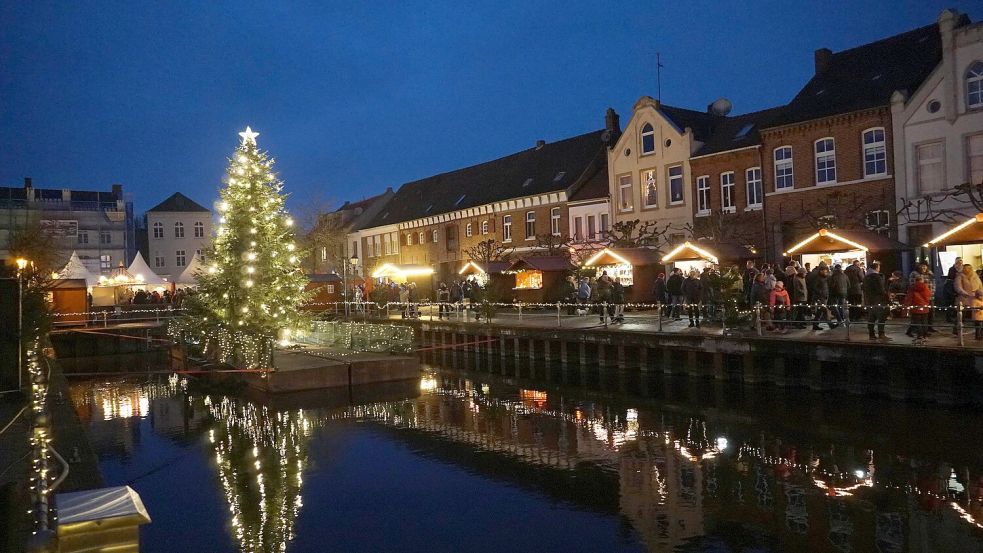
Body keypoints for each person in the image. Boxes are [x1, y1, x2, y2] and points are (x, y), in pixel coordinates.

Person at [954, 263, 983, 340]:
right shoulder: (959, 276)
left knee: (978, 316)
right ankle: (957, 330)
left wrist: (980, 294)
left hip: (975, 298)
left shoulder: (975, 276)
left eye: (969, 268)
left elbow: (980, 286)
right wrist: (964, 293)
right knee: (961, 314)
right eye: (966, 268)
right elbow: (958, 286)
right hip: (964, 298)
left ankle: (979, 333)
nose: (967, 270)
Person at [862, 261, 888, 340]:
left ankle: (871, 334)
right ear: (876, 268)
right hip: (878, 300)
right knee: (881, 317)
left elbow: (863, 288)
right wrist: (886, 298)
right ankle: (881, 334)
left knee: (871, 318)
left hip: (869, 300)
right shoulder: (877, 277)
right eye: (879, 267)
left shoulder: (866, 277)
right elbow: (881, 289)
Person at [909, 262, 937, 334]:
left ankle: (929, 327)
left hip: (929, 297)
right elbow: (913, 285)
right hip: (919, 298)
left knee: (931, 313)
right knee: (919, 315)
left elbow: (933, 284)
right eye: (922, 266)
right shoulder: (914, 274)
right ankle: (918, 329)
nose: (923, 268)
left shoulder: (930, 274)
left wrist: (931, 294)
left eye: (925, 266)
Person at [905, 274, 932, 342]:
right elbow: (929, 295)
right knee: (924, 322)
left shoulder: (912, 287)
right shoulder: (925, 287)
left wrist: (906, 308)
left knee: (917, 322)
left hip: (915, 308)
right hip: (924, 307)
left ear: (915, 280)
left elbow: (909, 298)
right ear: (922, 280)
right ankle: (925, 336)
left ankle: (920, 336)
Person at [811, 265, 833, 331]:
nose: (826, 273)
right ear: (821, 271)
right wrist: (820, 292)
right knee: (824, 310)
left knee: (820, 312)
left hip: (824, 296)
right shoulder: (818, 278)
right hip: (820, 297)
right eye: (825, 271)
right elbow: (813, 287)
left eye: (826, 271)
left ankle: (815, 324)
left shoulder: (824, 278)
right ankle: (830, 324)